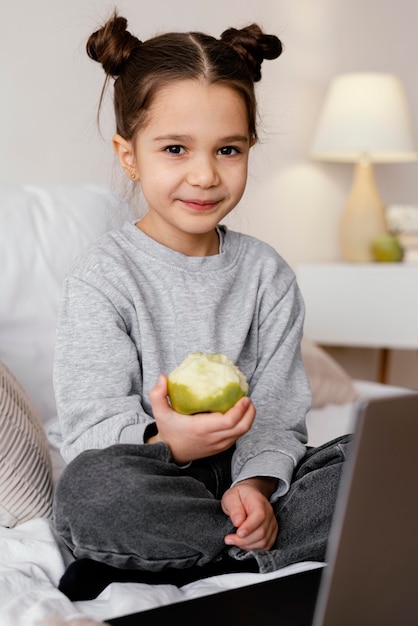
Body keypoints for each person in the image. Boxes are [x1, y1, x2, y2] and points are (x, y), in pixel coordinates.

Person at [51, 11, 351, 602]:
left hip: (256, 481)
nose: (205, 174)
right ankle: (246, 548)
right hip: (153, 471)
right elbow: (90, 427)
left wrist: (258, 486)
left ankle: (193, 555)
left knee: (373, 465)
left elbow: (279, 418)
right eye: (175, 148)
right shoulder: (102, 277)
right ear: (129, 154)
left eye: (228, 149)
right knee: (89, 491)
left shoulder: (267, 274)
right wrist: (173, 441)